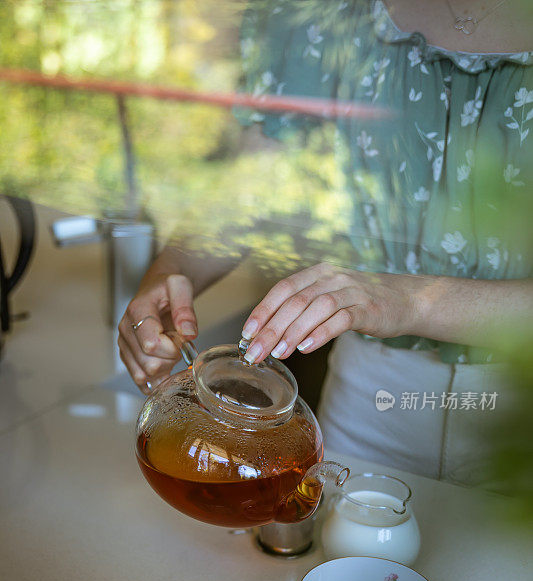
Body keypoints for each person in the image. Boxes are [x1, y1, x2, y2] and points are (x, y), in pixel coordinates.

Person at [118, 0, 533, 486]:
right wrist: (167, 275)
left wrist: (406, 298)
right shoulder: (324, 11)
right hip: (367, 403)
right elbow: (251, 192)